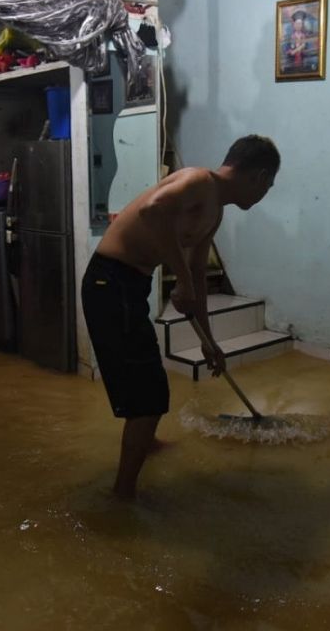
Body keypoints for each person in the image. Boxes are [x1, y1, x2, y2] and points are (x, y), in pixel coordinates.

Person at [81, 135, 281, 499]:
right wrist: (183, 280)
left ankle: (146, 443)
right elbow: (151, 211)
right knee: (150, 392)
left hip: (128, 286)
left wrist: (209, 342)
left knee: (145, 379)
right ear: (258, 175)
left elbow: (198, 277)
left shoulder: (214, 211)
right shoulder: (197, 181)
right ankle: (123, 493)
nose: (266, 192)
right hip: (109, 282)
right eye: (268, 185)